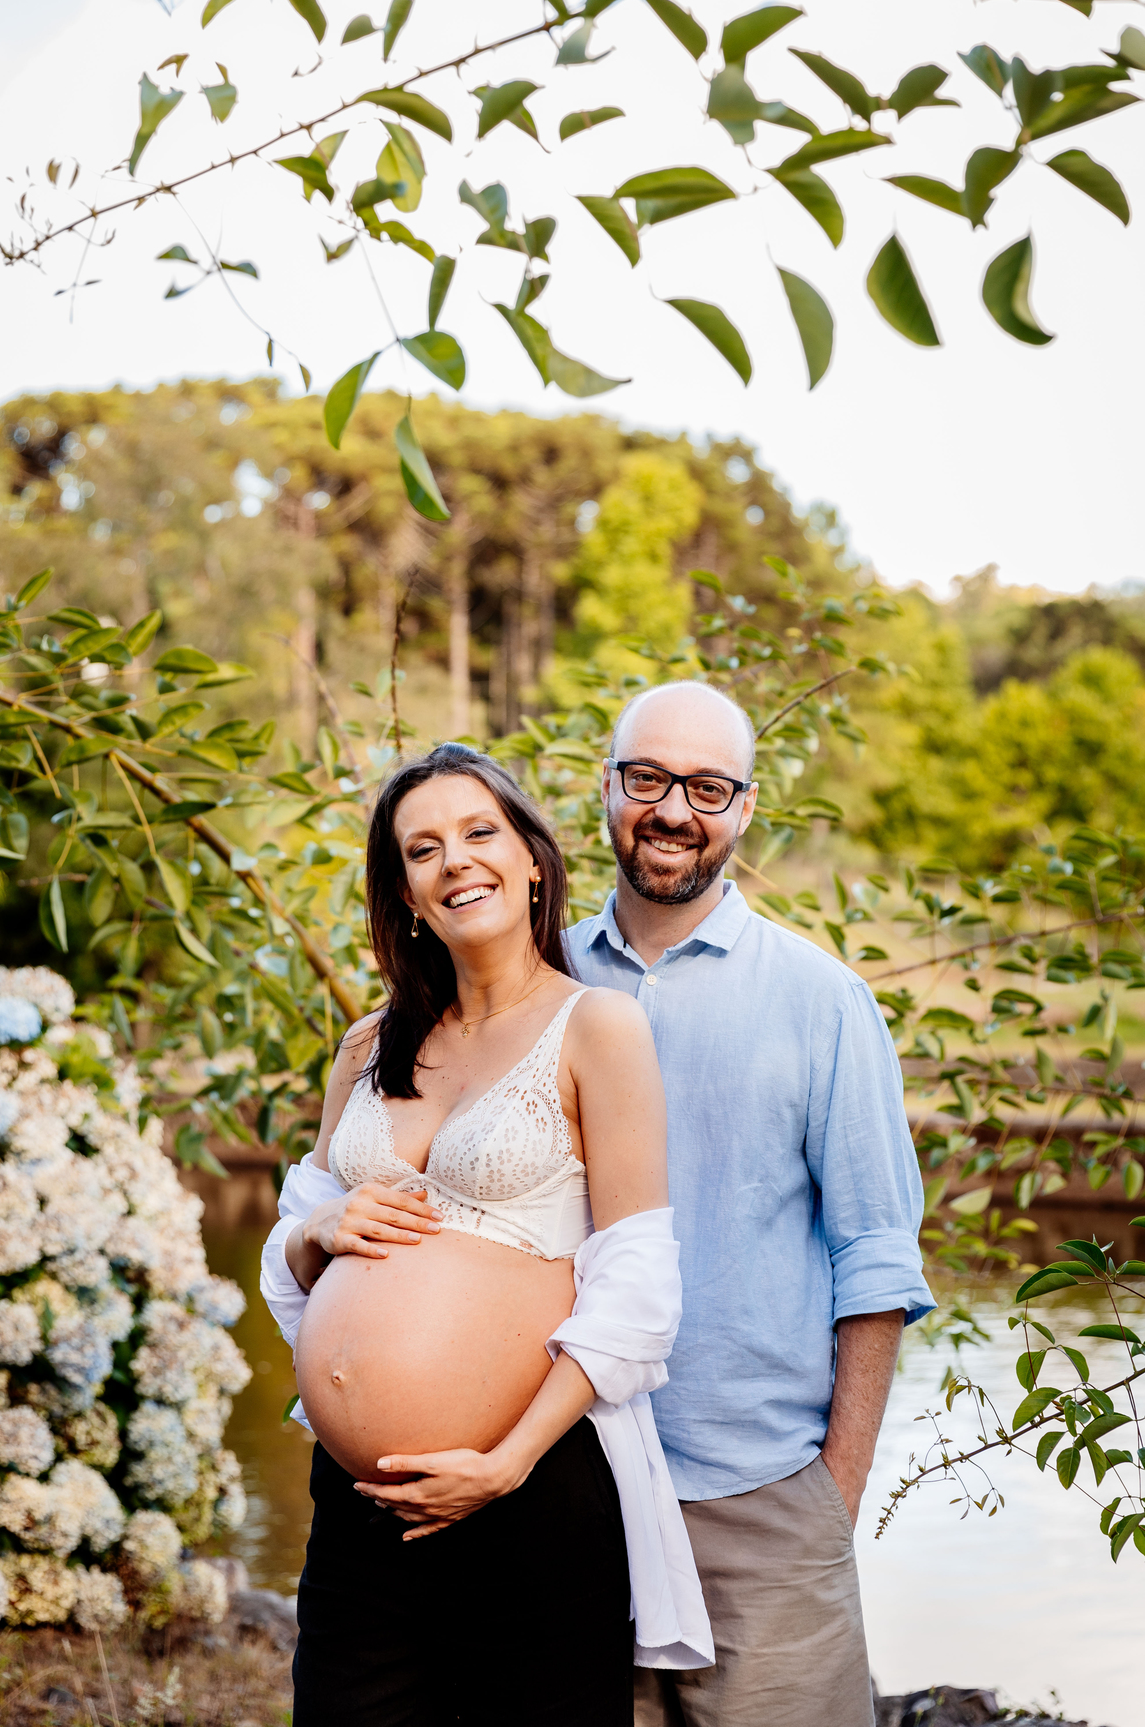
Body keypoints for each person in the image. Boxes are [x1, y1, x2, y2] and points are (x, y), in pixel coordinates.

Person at [260, 742, 713, 1727]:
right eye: (422, 850)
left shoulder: (598, 1028)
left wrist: (503, 1462)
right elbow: (294, 1246)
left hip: (529, 1492)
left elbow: (638, 1282)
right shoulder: (367, 1046)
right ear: (408, 895)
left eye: (478, 833)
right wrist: (320, 1230)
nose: (454, 860)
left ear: (534, 861)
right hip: (358, 1509)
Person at [564, 681, 936, 1727]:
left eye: (707, 787)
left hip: (762, 1504)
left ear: (746, 808)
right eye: (648, 778)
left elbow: (877, 1259)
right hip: (569, 1491)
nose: (674, 810)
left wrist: (834, 1495)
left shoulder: (822, 1002)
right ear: (608, 787)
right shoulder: (539, 981)